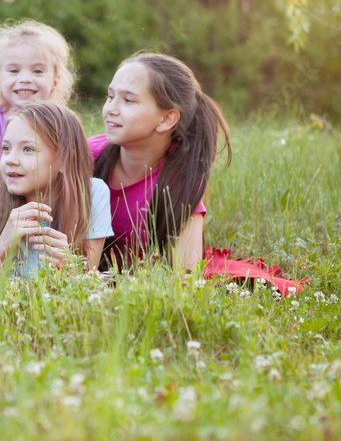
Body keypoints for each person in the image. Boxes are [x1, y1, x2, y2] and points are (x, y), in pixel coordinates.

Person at [90, 53, 305, 295]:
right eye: (110, 96)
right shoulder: (87, 155)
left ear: (167, 118)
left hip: (141, 277)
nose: (110, 109)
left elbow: (186, 278)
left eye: (128, 100)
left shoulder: (177, 182)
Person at [0, 102, 113, 278]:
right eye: (6, 148)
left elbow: (87, 280)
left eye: (28, 149)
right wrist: (1, 249)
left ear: (64, 159)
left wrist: (69, 268)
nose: (10, 160)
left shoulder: (91, 194)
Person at [0, 20, 76, 198]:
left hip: (43, 188)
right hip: (1, 182)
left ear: (55, 81)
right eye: (14, 71)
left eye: (38, 71)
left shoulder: (57, 118)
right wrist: (2, 188)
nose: (25, 78)